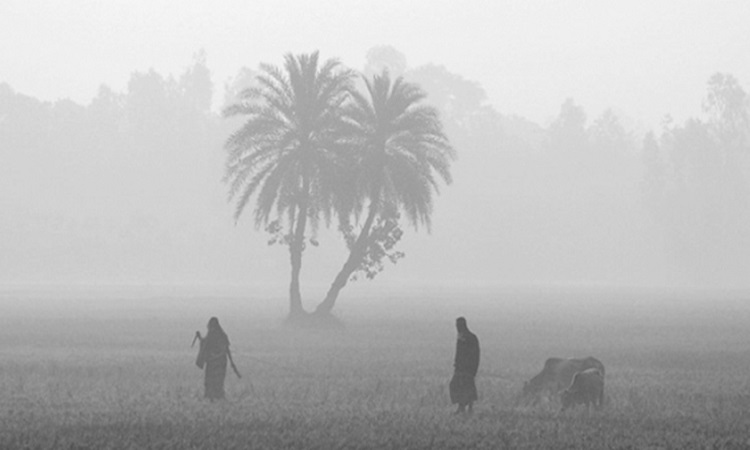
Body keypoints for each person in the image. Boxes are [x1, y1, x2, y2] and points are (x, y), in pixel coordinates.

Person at [195, 317, 236, 400]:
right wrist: (231, 362)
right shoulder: (222, 335)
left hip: (214, 363)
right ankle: (215, 397)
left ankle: (214, 397)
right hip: (219, 363)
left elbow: (205, 344)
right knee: (215, 381)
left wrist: (199, 338)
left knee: (214, 381)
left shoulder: (214, 335)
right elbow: (227, 350)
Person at [449, 316, 480, 414]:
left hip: (468, 368)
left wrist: (473, 368)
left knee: (468, 387)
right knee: (457, 386)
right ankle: (461, 407)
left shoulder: (470, 337)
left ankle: (469, 408)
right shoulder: (461, 337)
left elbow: (475, 354)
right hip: (460, 368)